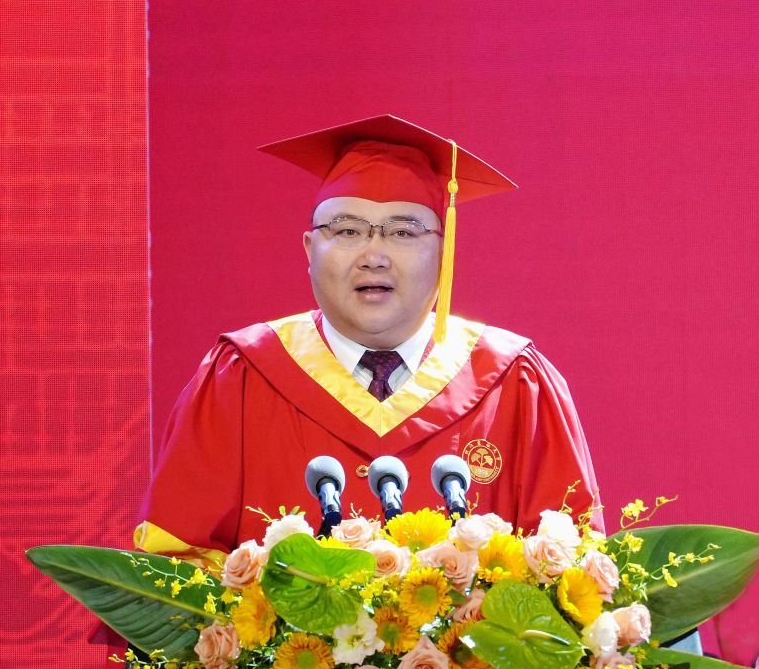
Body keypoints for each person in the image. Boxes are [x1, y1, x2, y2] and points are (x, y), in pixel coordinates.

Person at [135, 115, 602, 565]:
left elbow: (570, 574)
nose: (374, 255)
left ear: (445, 251)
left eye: (403, 232)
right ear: (309, 249)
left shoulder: (514, 382)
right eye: (347, 230)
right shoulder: (240, 375)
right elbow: (174, 572)